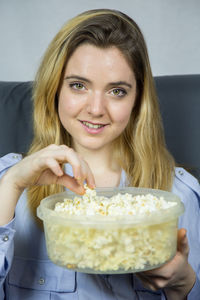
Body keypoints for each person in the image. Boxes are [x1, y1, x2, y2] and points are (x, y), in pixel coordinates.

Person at [0, 8, 199, 300]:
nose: (95, 109)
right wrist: (11, 186)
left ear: (137, 100)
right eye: (78, 86)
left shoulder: (178, 194)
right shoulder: (9, 182)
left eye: (116, 91)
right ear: (55, 89)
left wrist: (183, 287)